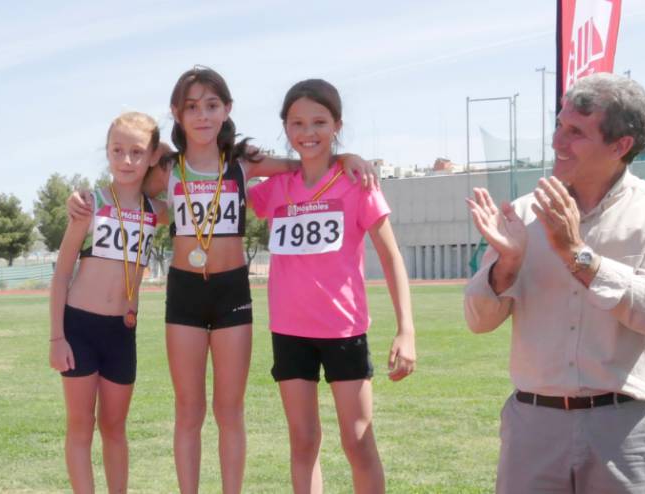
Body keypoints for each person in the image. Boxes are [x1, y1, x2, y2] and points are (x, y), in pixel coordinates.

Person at [67, 66, 377, 494]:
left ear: (227, 109)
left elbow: (305, 159)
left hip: (232, 292)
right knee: (189, 411)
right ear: (176, 113)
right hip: (185, 293)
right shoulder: (167, 168)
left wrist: (345, 158)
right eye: (192, 107)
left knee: (230, 411)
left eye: (212, 105)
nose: (202, 115)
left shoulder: (242, 162)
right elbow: (126, 184)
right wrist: (81, 198)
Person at [464, 72, 645, 493]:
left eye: (576, 132)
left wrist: (577, 254)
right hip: (533, 426)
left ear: (620, 146)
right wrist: (507, 265)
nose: (557, 141)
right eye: (559, 125)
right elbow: (478, 321)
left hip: (627, 429)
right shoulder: (521, 215)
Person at [248, 79, 416, 494]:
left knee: (357, 441)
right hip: (289, 331)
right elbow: (236, 168)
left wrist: (406, 330)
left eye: (320, 122)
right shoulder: (277, 189)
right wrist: (301, 161)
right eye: (297, 123)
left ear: (338, 124)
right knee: (303, 441)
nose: (308, 132)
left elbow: (391, 256)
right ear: (285, 128)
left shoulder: (358, 183)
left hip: (344, 331)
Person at [49, 112, 166, 493]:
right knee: (81, 425)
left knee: (115, 427)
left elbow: (177, 164)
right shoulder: (89, 204)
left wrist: (158, 148)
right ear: (107, 152)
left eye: (137, 151)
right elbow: (62, 274)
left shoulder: (157, 211)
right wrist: (56, 338)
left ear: (152, 155)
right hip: (79, 327)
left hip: (122, 331)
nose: (126, 160)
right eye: (117, 150)